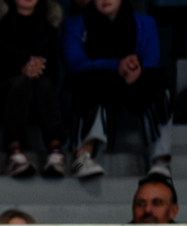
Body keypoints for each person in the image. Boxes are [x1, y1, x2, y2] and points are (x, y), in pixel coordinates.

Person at [63, 0, 171, 178]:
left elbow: (151, 60)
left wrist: (136, 67)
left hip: (132, 81)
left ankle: (160, 159)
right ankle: (83, 155)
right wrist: (116, 65)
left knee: (156, 81)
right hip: (99, 81)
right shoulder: (74, 24)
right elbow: (76, 63)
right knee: (88, 81)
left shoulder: (146, 23)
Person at [0, 0, 69, 179]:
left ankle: (55, 150)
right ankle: (14, 152)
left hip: (35, 103)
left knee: (43, 84)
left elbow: (54, 74)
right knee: (21, 83)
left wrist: (40, 66)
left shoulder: (48, 26)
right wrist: (20, 69)